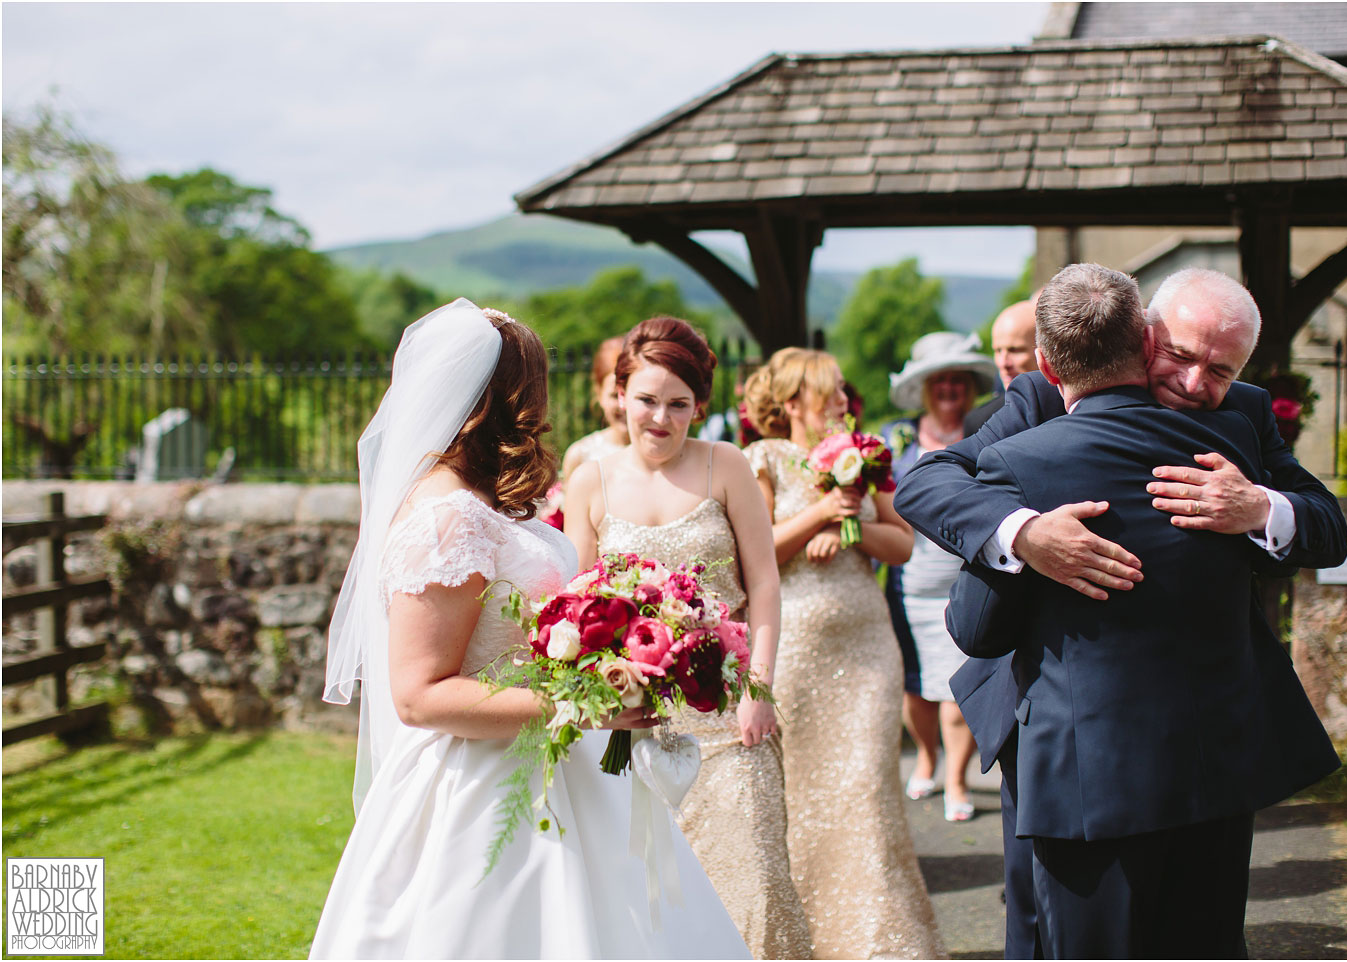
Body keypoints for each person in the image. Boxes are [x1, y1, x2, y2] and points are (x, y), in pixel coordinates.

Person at [897, 267, 1347, 960]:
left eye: (1220, 369)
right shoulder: (1044, 393)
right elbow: (929, 480)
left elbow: (1328, 527)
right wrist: (1023, 533)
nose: (1198, 384)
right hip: (1060, 728)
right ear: (1145, 338)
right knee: (1041, 925)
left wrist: (1260, 507)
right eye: (1184, 356)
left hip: (1206, 735)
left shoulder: (1245, 417)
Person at [310, 300, 749, 960]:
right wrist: (580, 702)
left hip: (560, 770)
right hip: (477, 791)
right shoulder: (447, 518)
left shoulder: (491, 500)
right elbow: (419, 695)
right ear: (506, 394)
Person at [565, 316, 812, 960]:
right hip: (633, 724)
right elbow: (577, 608)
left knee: (754, 886)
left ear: (699, 406)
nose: (661, 419)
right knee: (651, 900)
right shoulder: (590, 480)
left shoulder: (725, 466)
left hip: (730, 717)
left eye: (680, 404)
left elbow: (763, 584)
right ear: (620, 394)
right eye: (647, 399)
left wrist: (758, 686)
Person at [741, 348, 943, 960]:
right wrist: (819, 515)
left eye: (840, 392)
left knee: (866, 788)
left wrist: (851, 526)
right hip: (795, 644)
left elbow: (902, 545)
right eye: (826, 392)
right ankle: (811, 939)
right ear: (792, 400)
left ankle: (881, 940)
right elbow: (755, 554)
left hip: (867, 646)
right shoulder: (762, 459)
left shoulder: (866, 457)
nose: (839, 401)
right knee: (804, 793)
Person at [881, 331, 995, 821]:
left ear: (970, 387)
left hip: (966, 575)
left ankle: (956, 780)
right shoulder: (895, 439)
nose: (949, 388)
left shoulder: (986, 433)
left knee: (956, 684)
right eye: (940, 380)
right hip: (907, 580)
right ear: (925, 388)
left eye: (958, 379)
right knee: (916, 687)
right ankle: (926, 755)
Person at [964, 298, 1037, 437]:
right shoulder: (980, 422)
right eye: (997, 351)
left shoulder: (1074, 413)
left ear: (1044, 352)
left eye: (1015, 350)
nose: (1003, 363)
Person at [561, 335, 629, 476]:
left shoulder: (665, 453)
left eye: (633, 395)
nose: (624, 406)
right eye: (615, 395)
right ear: (599, 393)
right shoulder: (580, 455)